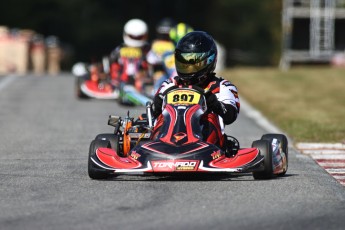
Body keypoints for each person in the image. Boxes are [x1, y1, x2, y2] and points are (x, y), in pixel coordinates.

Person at [151, 31, 240, 153]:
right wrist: (157, 104)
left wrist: (213, 102)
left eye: (193, 63)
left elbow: (230, 115)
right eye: (184, 63)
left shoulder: (222, 86)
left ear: (209, 60)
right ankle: (158, 147)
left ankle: (203, 150)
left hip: (206, 142)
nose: (188, 67)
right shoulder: (170, 84)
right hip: (166, 139)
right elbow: (153, 115)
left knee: (210, 116)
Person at [150, 22, 194, 93]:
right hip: (172, 85)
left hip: (189, 84)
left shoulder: (166, 55)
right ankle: (155, 92)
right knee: (161, 77)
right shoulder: (166, 54)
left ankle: (155, 93)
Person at [109, 18, 150, 92]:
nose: (136, 39)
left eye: (139, 37)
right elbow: (111, 60)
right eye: (133, 36)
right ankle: (116, 85)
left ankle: (140, 88)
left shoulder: (147, 50)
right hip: (121, 77)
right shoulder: (120, 49)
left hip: (141, 78)